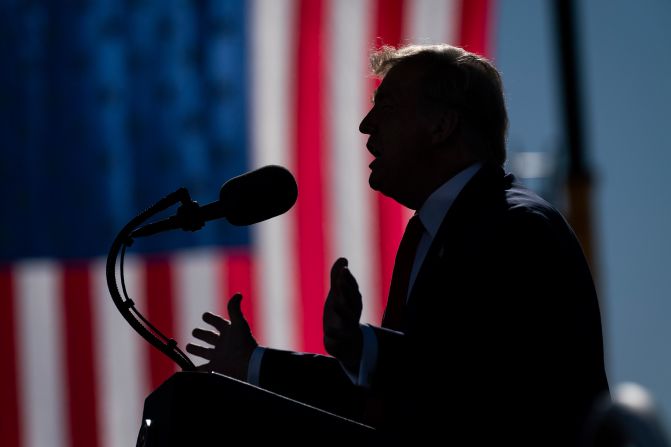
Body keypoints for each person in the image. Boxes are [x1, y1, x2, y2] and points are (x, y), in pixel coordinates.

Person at [186, 44, 609, 445]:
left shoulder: (517, 227)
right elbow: (398, 399)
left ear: (442, 126)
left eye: (385, 107)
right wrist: (254, 363)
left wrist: (361, 345)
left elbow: (471, 382)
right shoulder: (434, 235)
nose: (366, 126)